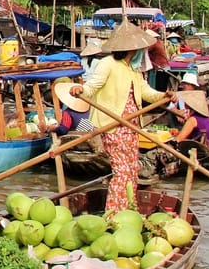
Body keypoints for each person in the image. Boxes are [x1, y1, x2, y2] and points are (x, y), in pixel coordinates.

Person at [69, 23, 168, 214]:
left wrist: (163, 96)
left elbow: (146, 92)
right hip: (113, 125)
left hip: (132, 126)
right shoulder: (108, 63)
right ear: (131, 48)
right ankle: (113, 214)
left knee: (131, 171)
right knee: (121, 172)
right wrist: (80, 89)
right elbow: (92, 86)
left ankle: (129, 210)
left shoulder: (134, 69)